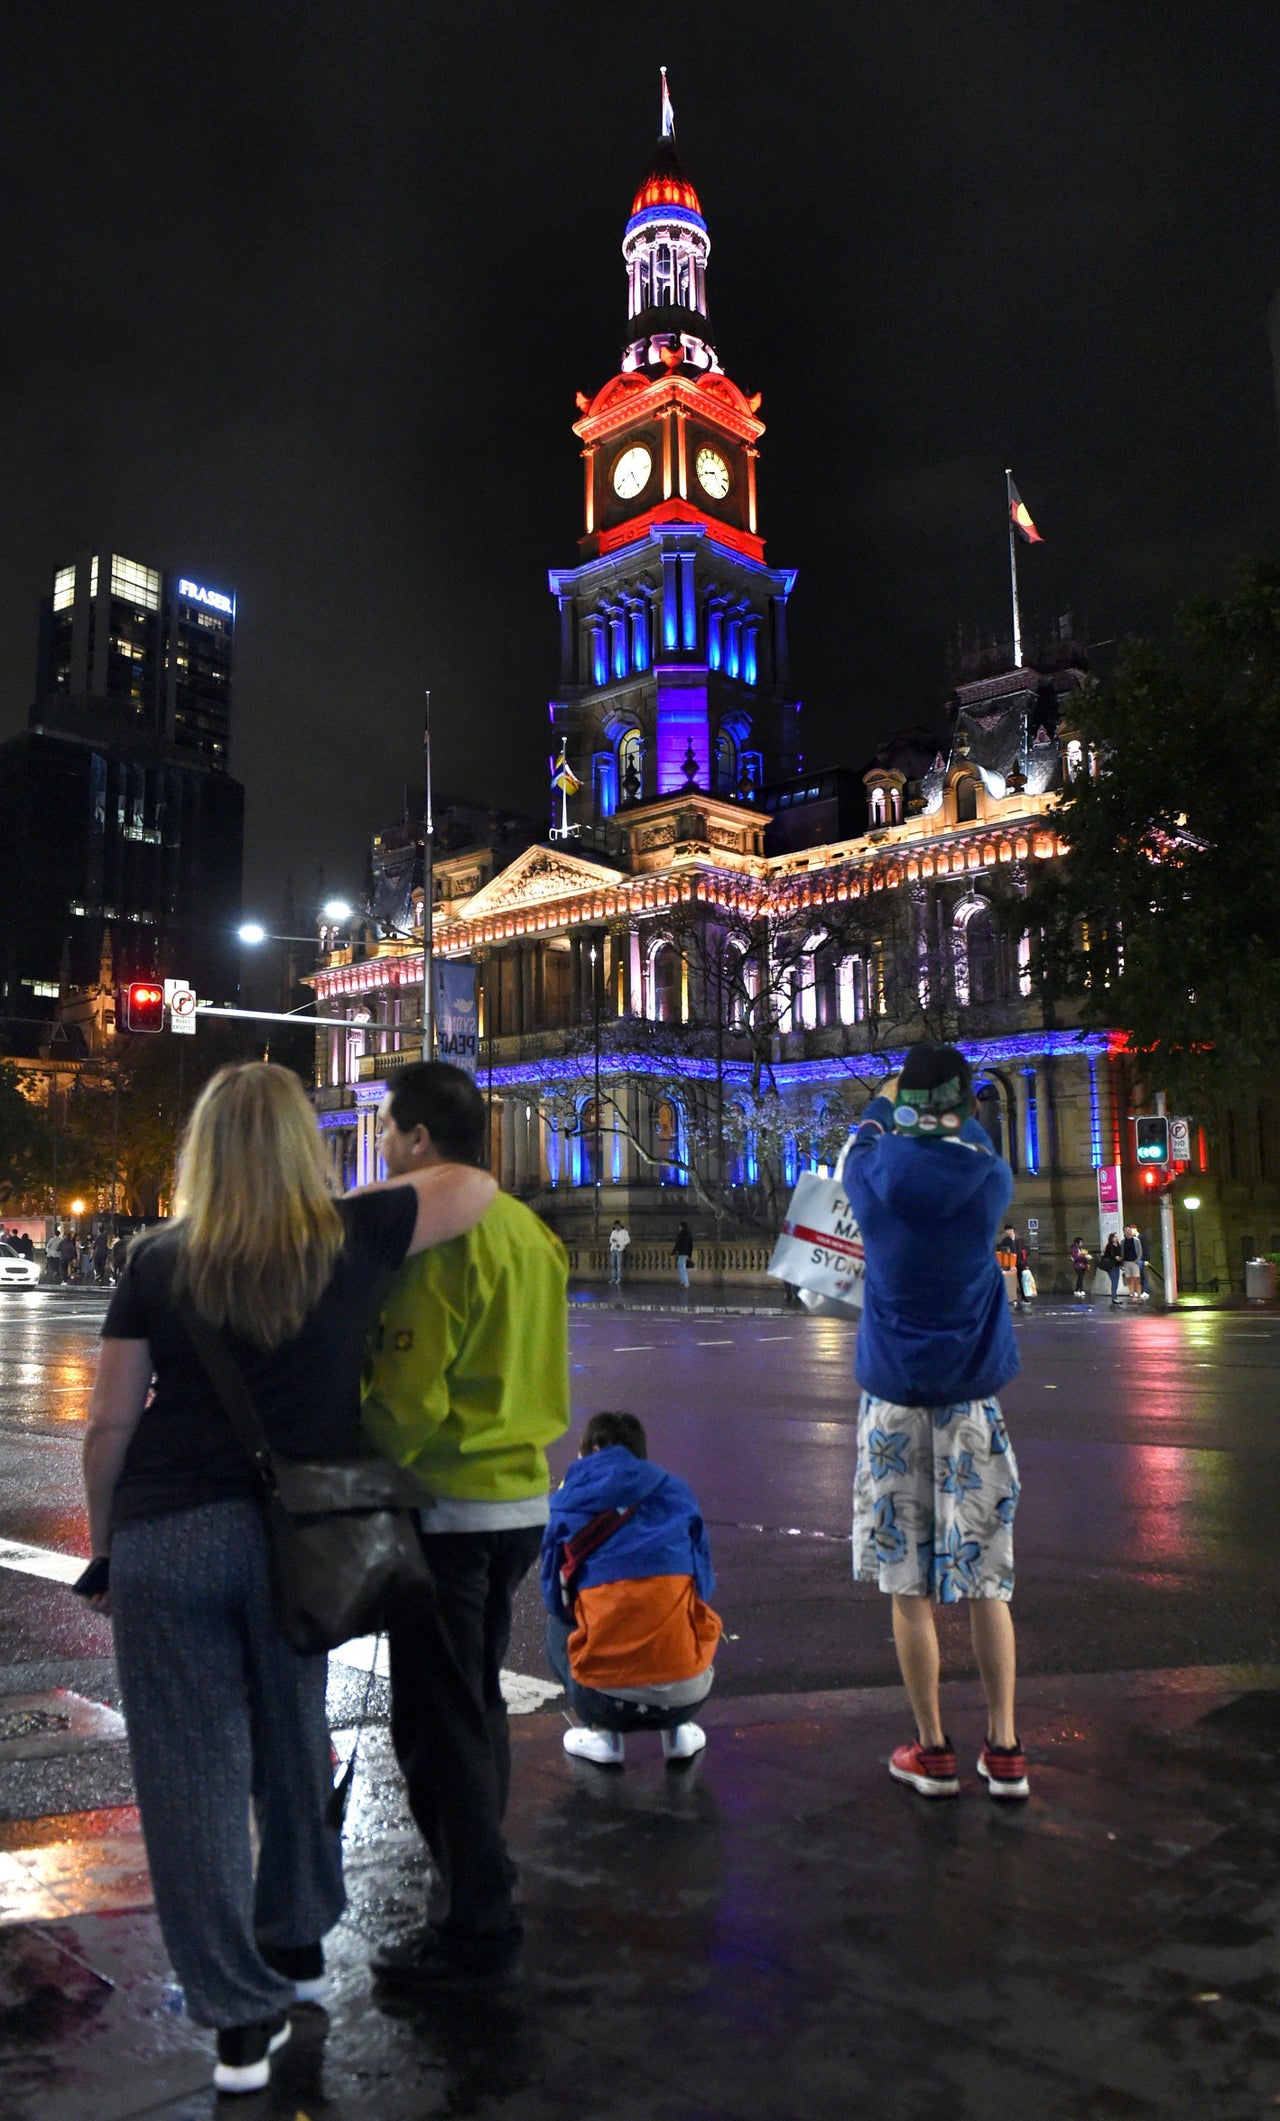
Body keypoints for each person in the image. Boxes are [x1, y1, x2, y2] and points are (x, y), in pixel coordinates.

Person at [81, 1063, 496, 2095]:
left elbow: (107, 1426)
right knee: (291, 1730)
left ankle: (233, 2020)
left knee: (188, 1781)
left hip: (166, 1537)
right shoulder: (346, 1240)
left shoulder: (155, 1258)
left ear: (199, 1154)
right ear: (305, 1149)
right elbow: (474, 1188)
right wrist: (313, 1205)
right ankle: (301, 1943)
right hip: (296, 1536)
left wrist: (105, 1544)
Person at [360, 1062, 570, 1991]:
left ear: (417, 1139)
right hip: (522, 1495)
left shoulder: (439, 1238)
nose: (384, 1150)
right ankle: (481, 1879)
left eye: (389, 1134)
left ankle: (476, 1916)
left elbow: (408, 1396)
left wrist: (354, 1453)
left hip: (445, 1503)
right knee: (472, 1699)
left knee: (435, 1719)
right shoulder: (532, 1233)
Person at [845, 1044, 1029, 1802]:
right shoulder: (990, 1180)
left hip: (892, 1403)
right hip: (971, 1407)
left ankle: (933, 1748)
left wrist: (888, 1102)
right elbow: (976, 1136)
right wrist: (947, 1110)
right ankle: (1006, 1747)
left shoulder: (869, 1177)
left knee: (908, 1588)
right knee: (988, 1583)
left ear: (907, 1108)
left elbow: (860, 1135)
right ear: (963, 1107)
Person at [541, 1410, 720, 1767]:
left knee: (557, 1622)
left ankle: (603, 1735)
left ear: (593, 1449)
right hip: (688, 1693)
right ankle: (678, 1731)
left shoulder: (567, 1503)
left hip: (604, 1698)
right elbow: (705, 1585)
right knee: (682, 1607)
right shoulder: (676, 1492)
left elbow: (554, 1598)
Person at [1121, 1225, 1144, 1302]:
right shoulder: (1123, 1242)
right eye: (1125, 1230)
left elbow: (1140, 1251)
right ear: (1124, 1232)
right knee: (1129, 1280)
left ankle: (1139, 1296)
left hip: (1134, 1262)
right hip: (1126, 1262)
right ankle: (1133, 1296)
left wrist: (1137, 1260)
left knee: (1137, 1279)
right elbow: (1122, 1253)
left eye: (1128, 1230)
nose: (1127, 1231)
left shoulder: (1136, 1240)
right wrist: (1122, 1263)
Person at [1100, 1231, 1123, 1305]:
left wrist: (1120, 1260)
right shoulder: (1109, 1246)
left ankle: (1114, 1296)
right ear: (1111, 1238)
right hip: (1111, 1266)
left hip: (1117, 1265)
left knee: (1116, 1281)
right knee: (1114, 1281)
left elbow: (1121, 1254)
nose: (1116, 1238)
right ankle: (1114, 1297)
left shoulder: (1119, 1246)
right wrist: (1114, 1257)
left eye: (1117, 1237)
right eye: (1114, 1237)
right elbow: (1107, 1256)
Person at [608, 1217, 631, 1286]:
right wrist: (613, 1241)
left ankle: (619, 1278)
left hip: (620, 1249)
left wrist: (621, 1244)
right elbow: (610, 1240)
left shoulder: (624, 1232)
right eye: (615, 1226)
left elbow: (628, 1241)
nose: (616, 1227)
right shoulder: (613, 1232)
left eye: (617, 1226)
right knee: (613, 1264)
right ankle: (613, 1278)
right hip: (613, 1249)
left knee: (619, 1265)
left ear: (620, 1225)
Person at [1069, 1236, 1092, 1300]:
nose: (1081, 1244)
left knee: (1080, 1277)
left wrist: (1086, 1260)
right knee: (1080, 1277)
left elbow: (1084, 1256)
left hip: (1083, 1265)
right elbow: (1075, 1257)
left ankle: (1077, 1290)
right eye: (1080, 1242)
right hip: (1077, 1265)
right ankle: (1080, 1289)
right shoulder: (1074, 1249)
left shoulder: (1082, 1249)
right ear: (1077, 1243)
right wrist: (1082, 1256)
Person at [673, 1221, 694, 1289]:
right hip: (686, 1254)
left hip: (681, 1253)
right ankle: (683, 1282)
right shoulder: (689, 1235)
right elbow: (691, 1246)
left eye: (679, 1226)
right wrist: (689, 1255)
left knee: (681, 1269)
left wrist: (673, 1252)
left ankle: (685, 1283)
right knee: (683, 1269)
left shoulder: (681, 1235)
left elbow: (678, 1244)